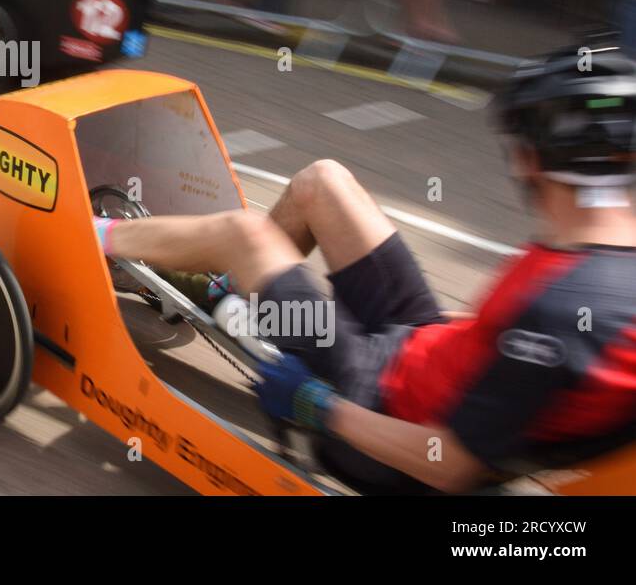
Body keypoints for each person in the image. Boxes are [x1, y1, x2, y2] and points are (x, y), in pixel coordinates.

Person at [94, 37, 636, 492]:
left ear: (531, 157)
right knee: (322, 183)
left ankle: (90, 233)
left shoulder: (563, 313)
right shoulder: (598, 250)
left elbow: (448, 464)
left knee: (247, 233)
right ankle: (224, 287)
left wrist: (317, 407)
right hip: (423, 344)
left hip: (381, 404)